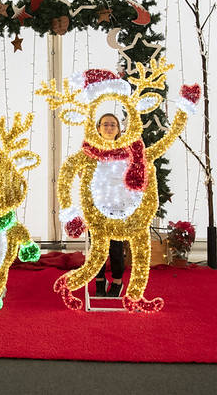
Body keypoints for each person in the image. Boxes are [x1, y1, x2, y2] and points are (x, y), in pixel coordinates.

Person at [94, 113, 125, 297]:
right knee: (97, 247)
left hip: (117, 207)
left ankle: (117, 281)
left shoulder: (123, 151)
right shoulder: (92, 150)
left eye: (113, 124)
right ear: (99, 128)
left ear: (118, 129)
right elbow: (83, 174)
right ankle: (99, 280)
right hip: (96, 206)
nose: (109, 128)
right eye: (105, 124)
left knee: (116, 247)